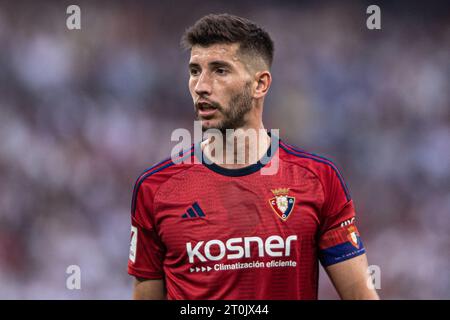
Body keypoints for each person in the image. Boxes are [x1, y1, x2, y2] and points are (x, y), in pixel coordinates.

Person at [128, 13, 379, 300]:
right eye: (195, 70)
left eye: (220, 70)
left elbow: (361, 296)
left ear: (260, 84)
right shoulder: (155, 188)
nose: (201, 86)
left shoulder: (318, 180)